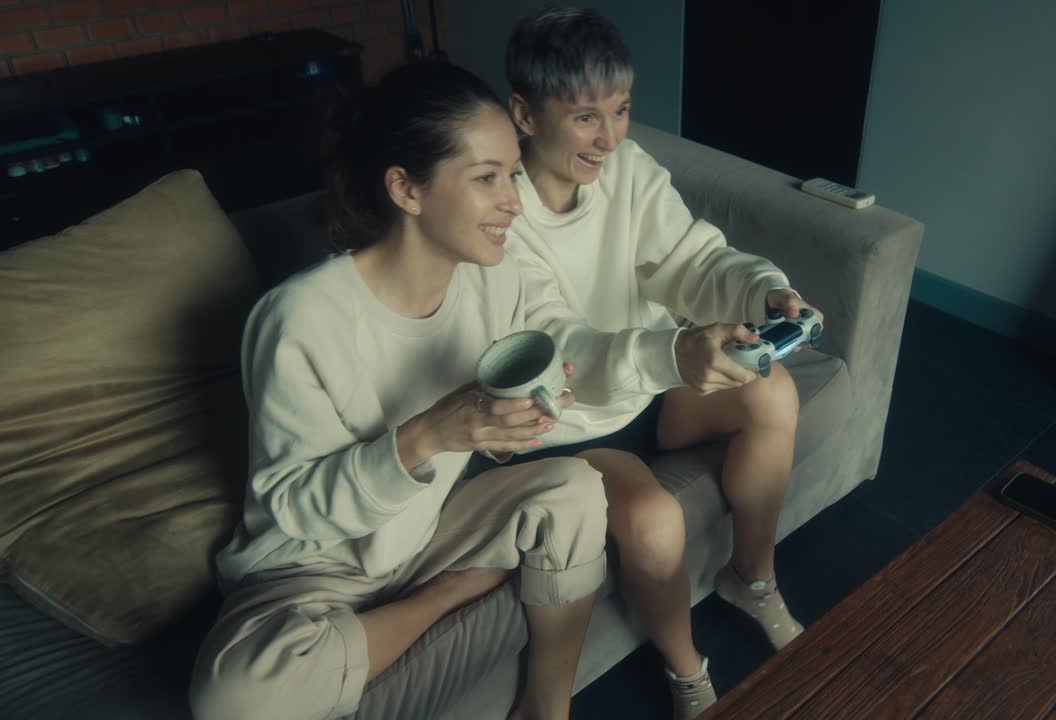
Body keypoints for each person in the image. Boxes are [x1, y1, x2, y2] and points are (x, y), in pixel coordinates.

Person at [188, 61, 611, 720]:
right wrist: (430, 435)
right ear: (405, 190)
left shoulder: (499, 283)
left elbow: (489, 439)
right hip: (312, 565)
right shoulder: (299, 318)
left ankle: (546, 709)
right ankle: (445, 595)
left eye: (513, 175)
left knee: (576, 488)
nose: (514, 202)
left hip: (426, 530)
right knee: (233, 695)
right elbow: (293, 508)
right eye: (486, 179)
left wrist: (514, 423)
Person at [480, 7, 827, 719]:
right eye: (584, 117)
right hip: (571, 425)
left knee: (773, 390)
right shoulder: (495, 213)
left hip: (649, 383)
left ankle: (750, 579)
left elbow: (692, 259)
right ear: (523, 112)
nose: (609, 137)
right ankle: (687, 671)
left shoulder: (628, 171)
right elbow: (555, 343)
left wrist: (767, 289)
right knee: (654, 523)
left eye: (622, 110)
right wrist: (670, 351)